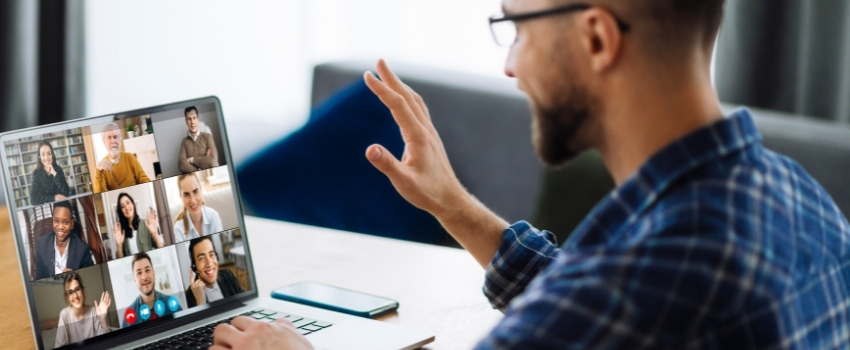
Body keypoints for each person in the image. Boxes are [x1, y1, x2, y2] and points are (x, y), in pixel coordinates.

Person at [212, 0, 850, 349]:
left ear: (597, 38)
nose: (512, 67)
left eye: (514, 26)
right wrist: (453, 205)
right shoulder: (804, 200)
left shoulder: (632, 289)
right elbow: (592, 295)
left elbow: (599, 300)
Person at [34, 201, 94, 280]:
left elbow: (90, 278)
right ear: (52, 220)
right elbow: (38, 278)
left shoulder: (82, 250)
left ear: (72, 224)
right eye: (56, 221)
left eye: (65, 222)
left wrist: (75, 276)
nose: (60, 227)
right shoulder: (42, 244)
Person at [121, 252, 182, 328]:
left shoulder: (172, 303)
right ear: (134, 280)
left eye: (147, 270)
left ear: (154, 274)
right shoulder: (129, 316)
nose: (144, 277)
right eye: (139, 273)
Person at [184, 236, 244, 308]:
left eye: (211, 254)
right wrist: (200, 302)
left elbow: (246, 300)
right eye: (201, 258)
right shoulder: (188, 296)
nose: (209, 263)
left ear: (217, 257)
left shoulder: (227, 274)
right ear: (194, 267)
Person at [54, 273, 111, 347]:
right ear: (67, 296)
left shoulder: (92, 311)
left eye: (77, 289)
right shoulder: (64, 315)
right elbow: (59, 346)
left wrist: (103, 319)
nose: (75, 296)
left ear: (82, 290)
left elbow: (106, 341)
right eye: (70, 292)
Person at [93, 122, 150, 193]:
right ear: (104, 141)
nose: (113, 141)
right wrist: (98, 170)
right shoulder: (102, 167)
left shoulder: (130, 157)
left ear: (120, 139)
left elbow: (144, 179)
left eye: (115, 137)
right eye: (109, 137)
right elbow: (100, 194)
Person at [172, 173, 223, 244]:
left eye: (195, 191)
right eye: (186, 195)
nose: (192, 200)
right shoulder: (178, 228)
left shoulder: (213, 217)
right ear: (181, 197)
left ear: (201, 190)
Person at [112, 192, 165, 259]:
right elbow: (120, 260)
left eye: (128, 203)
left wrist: (155, 233)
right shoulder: (121, 233)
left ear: (133, 204)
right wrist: (119, 246)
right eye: (122, 206)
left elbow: (162, 251)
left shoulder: (146, 224)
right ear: (121, 211)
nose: (127, 207)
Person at [178, 106, 219, 173]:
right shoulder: (184, 141)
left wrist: (192, 160)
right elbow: (181, 165)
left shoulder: (207, 137)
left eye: (194, 118)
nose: (192, 122)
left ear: (198, 119)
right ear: (186, 122)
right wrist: (200, 169)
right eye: (189, 119)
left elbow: (213, 162)